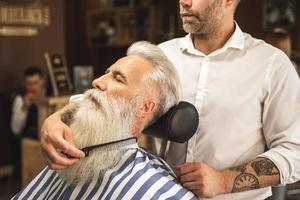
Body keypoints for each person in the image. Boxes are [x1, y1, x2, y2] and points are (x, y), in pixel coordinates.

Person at [40, 0, 300, 199]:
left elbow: (295, 151)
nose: (183, 2)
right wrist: (54, 120)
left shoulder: (270, 65)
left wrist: (224, 180)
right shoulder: (162, 56)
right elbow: (106, 97)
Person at [13, 41, 198, 200]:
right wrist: (54, 118)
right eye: (106, 73)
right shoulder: (78, 144)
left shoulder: (159, 191)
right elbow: (81, 101)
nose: (97, 81)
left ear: (145, 107)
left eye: (118, 78)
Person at [11, 66, 45, 140]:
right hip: (31, 139)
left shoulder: (50, 95)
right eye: (29, 84)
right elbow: (15, 130)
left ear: (42, 82)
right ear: (25, 83)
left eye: (35, 83)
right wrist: (25, 108)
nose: (32, 87)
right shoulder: (20, 99)